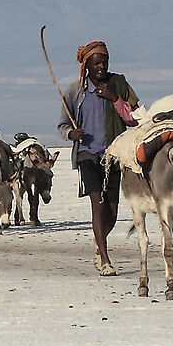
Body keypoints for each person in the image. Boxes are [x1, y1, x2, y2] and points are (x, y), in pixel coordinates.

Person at [56, 40, 142, 275]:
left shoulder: (119, 85)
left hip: (114, 154)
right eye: (97, 63)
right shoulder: (75, 92)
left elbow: (135, 119)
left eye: (105, 62)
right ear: (87, 66)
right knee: (98, 203)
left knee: (112, 211)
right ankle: (105, 260)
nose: (102, 66)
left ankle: (98, 241)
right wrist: (72, 133)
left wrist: (115, 98)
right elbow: (63, 124)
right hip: (87, 154)